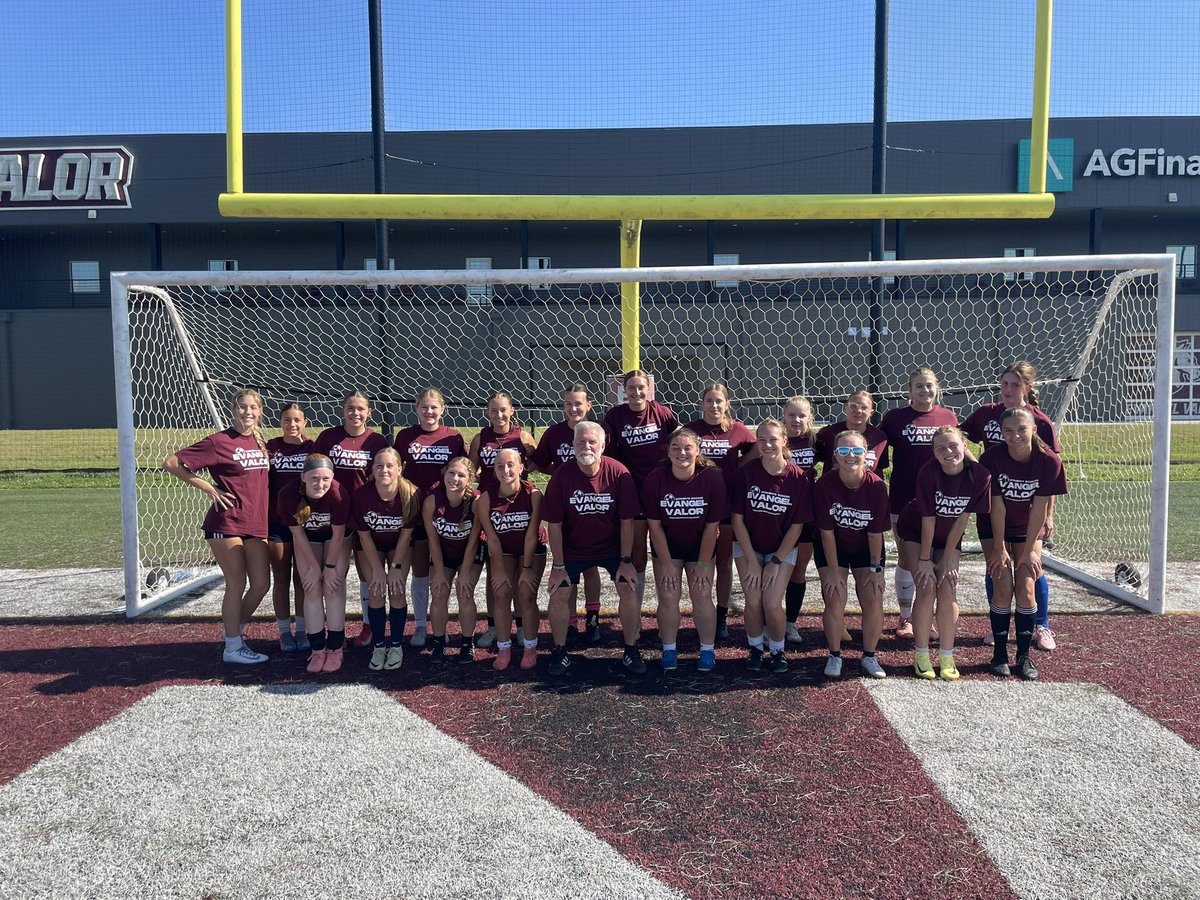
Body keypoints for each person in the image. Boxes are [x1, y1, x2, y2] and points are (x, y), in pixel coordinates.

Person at [164, 388, 272, 664]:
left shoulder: (261, 442)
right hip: (226, 522)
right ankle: (233, 648)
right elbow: (172, 463)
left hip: (256, 523)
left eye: (253, 408)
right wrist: (209, 488)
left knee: (261, 584)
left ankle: (232, 633)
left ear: (260, 412)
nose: (248, 412)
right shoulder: (219, 441)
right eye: (242, 407)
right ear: (233, 410)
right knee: (237, 582)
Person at [962, 361, 1063, 652]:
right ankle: (1000, 627)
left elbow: (1049, 475)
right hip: (995, 501)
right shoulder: (986, 413)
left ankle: (1041, 625)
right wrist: (975, 464)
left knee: (1032, 566)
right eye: (1004, 384)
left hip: (1030, 507)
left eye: (1015, 384)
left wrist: (1049, 515)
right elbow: (958, 435)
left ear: (1027, 388)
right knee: (998, 564)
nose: (1008, 390)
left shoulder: (1039, 421)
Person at [541, 421, 641, 677]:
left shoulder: (619, 473)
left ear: (603, 445)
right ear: (572, 445)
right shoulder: (561, 476)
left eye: (592, 442)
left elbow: (627, 521)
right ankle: (560, 650)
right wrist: (559, 566)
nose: (587, 446)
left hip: (611, 548)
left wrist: (626, 560)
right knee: (559, 591)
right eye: (581, 442)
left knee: (629, 587)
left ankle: (631, 649)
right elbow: (554, 524)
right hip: (573, 549)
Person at [894, 426, 991, 681]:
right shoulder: (928, 473)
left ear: (964, 446)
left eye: (953, 446)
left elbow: (962, 520)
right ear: (934, 453)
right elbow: (928, 520)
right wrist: (925, 560)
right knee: (926, 586)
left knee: (948, 586)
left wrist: (947, 557)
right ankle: (922, 654)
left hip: (949, 535)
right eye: (941, 448)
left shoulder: (979, 475)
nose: (948, 452)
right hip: (917, 530)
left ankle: (947, 655)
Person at [980, 407, 1068, 681]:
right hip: (994, 528)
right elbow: (997, 507)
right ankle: (999, 656)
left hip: (1028, 528)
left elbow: (1040, 507)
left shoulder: (1048, 461)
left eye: (1021, 429)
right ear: (1001, 433)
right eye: (1008, 430)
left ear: (1033, 429)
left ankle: (1024, 657)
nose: (1015, 435)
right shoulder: (992, 457)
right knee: (1002, 585)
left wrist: (1030, 549)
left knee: (1027, 586)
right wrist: (999, 547)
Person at [880, 368, 959, 639]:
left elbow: (959, 453)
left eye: (929, 386)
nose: (924, 391)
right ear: (909, 391)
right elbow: (874, 447)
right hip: (903, 498)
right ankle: (906, 617)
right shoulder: (894, 418)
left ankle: (927, 617)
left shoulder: (948, 417)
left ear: (936, 388)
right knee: (907, 559)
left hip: (942, 501)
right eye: (918, 387)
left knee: (938, 559)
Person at [730, 419, 812, 673]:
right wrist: (753, 563)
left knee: (772, 603)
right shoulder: (746, 473)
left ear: (784, 441)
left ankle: (778, 650)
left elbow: (796, 527)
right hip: (748, 547)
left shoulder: (799, 478)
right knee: (753, 601)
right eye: (761, 440)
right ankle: (755, 648)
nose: (767, 445)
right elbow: (737, 521)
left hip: (781, 549)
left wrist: (775, 562)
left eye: (773, 439)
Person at [643, 427, 728, 672]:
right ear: (668, 452)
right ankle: (669, 649)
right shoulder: (655, 479)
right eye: (676, 448)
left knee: (701, 593)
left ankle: (707, 650)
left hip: (700, 546)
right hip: (667, 547)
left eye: (688, 447)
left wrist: (703, 565)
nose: (682, 452)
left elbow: (713, 527)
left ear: (698, 451)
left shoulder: (711, 478)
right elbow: (654, 527)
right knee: (669, 596)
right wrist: (667, 563)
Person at [314, 390, 392, 649]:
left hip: (365, 514)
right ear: (343, 410)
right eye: (350, 408)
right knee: (337, 572)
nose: (355, 413)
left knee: (366, 572)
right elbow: (315, 470)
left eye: (360, 409)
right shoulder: (328, 438)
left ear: (369, 412)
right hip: (334, 514)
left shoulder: (377, 440)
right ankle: (333, 627)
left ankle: (370, 624)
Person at [814, 430, 891, 679]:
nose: (851, 456)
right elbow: (826, 533)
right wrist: (835, 572)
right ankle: (834, 655)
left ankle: (869, 656)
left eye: (857, 451)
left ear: (866, 455)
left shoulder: (877, 486)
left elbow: (875, 534)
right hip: (833, 546)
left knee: (873, 599)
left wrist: (875, 569)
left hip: (866, 548)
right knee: (835, 597)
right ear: (835, 455)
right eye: (844, 451)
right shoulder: (825, 484)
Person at [530, 383, 604, 645]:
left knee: (591, 566)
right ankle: (571, 622)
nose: (573, 408)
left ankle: (593, 617)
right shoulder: (554, 433)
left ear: (588, 405)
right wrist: (559, 475)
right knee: (568, 568)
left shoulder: (596, 432)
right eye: (568, 404)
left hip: (593, 502)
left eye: (578, 403)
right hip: (565, 503)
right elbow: (539, 461)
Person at [395, 388, 467, 650]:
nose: (429, 412)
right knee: (420, 570)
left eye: (433, 407)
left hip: (444, 512)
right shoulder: (405, 437)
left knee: (442, 571)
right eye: (424, 407)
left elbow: (465, 470)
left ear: (443, 409)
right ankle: (421, 625)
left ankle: (441, 627)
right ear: (416, 409)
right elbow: (393, 467)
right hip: (414, 510)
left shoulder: (454, 437)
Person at [602, 369, 679, 609]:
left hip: (661, 491)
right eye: (631, 388)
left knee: (664, 551)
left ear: (649, 389)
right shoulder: (614, 417)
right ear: (623, 391)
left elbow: (680, 443)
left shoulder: (663, 413)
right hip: (632, 492)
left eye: (641, 387)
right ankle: (635, 610)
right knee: (637, 555)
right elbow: (607, 453)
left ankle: (664, 608)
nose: (636, 392)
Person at [685, 382, 756, 642]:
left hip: (726, 503)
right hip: (696, 504)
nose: (714, 406)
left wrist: (739, 465)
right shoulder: (692, 429)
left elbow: (755, 448)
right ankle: (701, 610)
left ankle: (722, 615)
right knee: (700, 561)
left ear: (727, 404)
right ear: (702, 403)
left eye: (719, 401)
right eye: (709, 401)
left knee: (724, 562)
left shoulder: (737, 429)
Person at [469, 390, 537, 649]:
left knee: (519, 573)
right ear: (488, 413)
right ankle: (494, 627)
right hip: (491, 509)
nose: (499, 415)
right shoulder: (480, 438)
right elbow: (472, 469)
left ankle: (520, 626)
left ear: (512, 411)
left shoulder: (522, 436)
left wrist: (518, 477)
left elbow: (535, 463)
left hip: (518, 508)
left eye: (503, 410)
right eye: (494, 411)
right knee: (494, 574)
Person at [350, 448, 421, 671]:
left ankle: (397, 645)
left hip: (399, 544)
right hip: (371, 543)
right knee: (376, 588)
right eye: (379, 465)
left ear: (399, 469)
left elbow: (407, 534)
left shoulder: (411, 493)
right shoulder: (361, 496)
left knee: (397, 588)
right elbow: (363, 536)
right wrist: (378, 571)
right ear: (372, 469)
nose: (384, 470)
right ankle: (379, 646)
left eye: (390, 465)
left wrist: (396, 567)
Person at [279, 454, 351, 674]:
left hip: (336, 539)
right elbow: (298, 536)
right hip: (308, 539)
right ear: (302, 477)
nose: (321, 484)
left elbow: (338, 535)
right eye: (314, 479)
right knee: (311, 588)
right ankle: (318, 648)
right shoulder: (288, 495)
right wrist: (314, 568)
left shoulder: (338, 493)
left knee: (333, 587)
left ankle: (336, 647)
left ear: (333, 478)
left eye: (326, 479)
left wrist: (328, 569)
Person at [477, 448, 545, 670]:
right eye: (499, 466)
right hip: (503, 548)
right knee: (501, 591)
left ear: (520, 468)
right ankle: (504, 647)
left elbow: (531, 535)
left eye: (510, 465)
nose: (505, 470)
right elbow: (492, 539)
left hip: (531, 549)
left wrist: (526, 568)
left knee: (525, 592)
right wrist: (496, 570)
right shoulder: (486, 498)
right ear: (494, 471)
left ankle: (530, 647)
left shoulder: (533, 495)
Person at [423, 456, 485, 664]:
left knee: (464, 592)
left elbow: (474, 540)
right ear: (444, 473)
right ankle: (439, 642)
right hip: (443, 552)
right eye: (451, 473)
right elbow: (433, 541)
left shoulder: (476, 502)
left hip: (470, 552)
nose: (455, 478)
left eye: (461, 475)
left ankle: (467, 644)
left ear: (469, 480)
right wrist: (439, 571)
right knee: (439, 592)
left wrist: (465, 572)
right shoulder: (432, 501)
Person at [265, 403, 315, 653]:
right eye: (287, 420)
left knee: (303, 579)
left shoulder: (313, 448)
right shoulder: (270, 448)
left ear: (305, 422)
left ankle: (304, 630)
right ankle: (285, 632)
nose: (292, 425)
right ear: (280, 421)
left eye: (297, 420)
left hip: (307, 524)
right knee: (282, 578)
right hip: (277, 522)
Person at [781, 395, 820, 645]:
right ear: (783, 416)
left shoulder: (818, 441)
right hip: (778, 513)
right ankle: (767, 621)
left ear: (809, 418)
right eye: (791, 415)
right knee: (774, 568)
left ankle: (790, 624)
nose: (796, 420)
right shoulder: (775, 439)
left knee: (798, 569)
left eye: (802, 415)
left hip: (807, 514)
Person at [814, 390, 889, 476]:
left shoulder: (879, 438)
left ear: (871, 412)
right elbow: (811, 461)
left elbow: (878, 471)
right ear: (845, 408)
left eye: (864, 408)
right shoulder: (827, 433)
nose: (858, 410)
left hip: (866, 488)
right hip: (831, 488)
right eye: (853, 406)